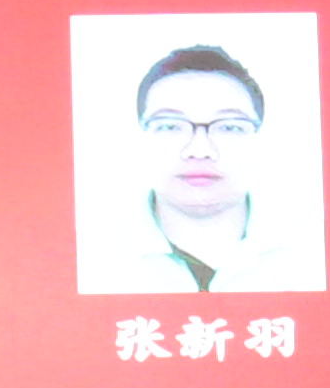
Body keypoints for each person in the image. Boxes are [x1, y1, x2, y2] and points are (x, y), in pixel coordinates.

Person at [82, 43, 297, 294]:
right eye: (170, 126)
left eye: (229, 127)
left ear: (262, 141)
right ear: (138, 140)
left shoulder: (312, 253)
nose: (200, 150)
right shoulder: (89, 258)